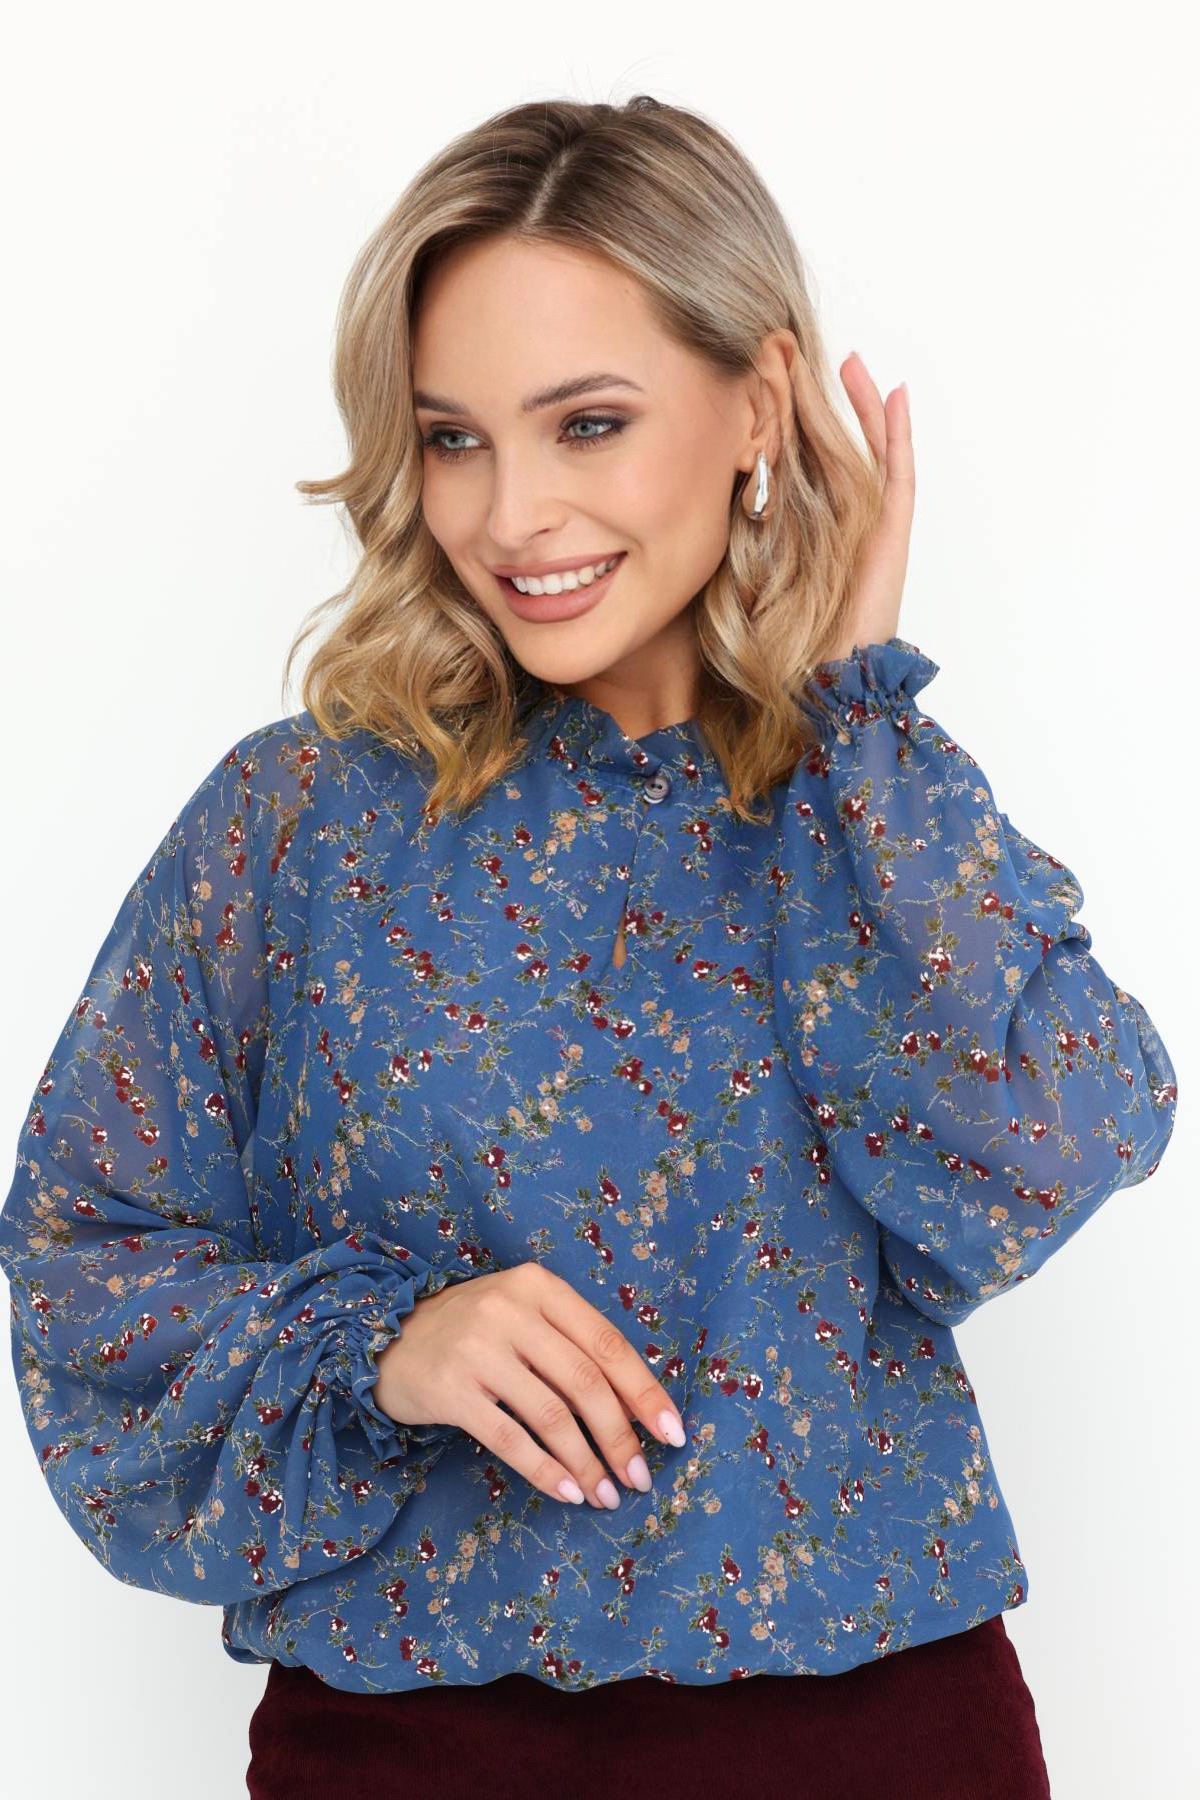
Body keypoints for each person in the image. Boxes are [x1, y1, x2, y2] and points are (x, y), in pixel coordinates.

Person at [0, 94, 1177, 1800]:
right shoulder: (298, 822)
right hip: (405, 1746)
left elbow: (1058, 1148)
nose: (513, 516)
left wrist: (860, 714)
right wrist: (386, 1346)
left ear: (758, 405)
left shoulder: (861, 804)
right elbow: (80, 1269)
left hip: (875, 1737)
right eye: (455, 439)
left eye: (589, 423)